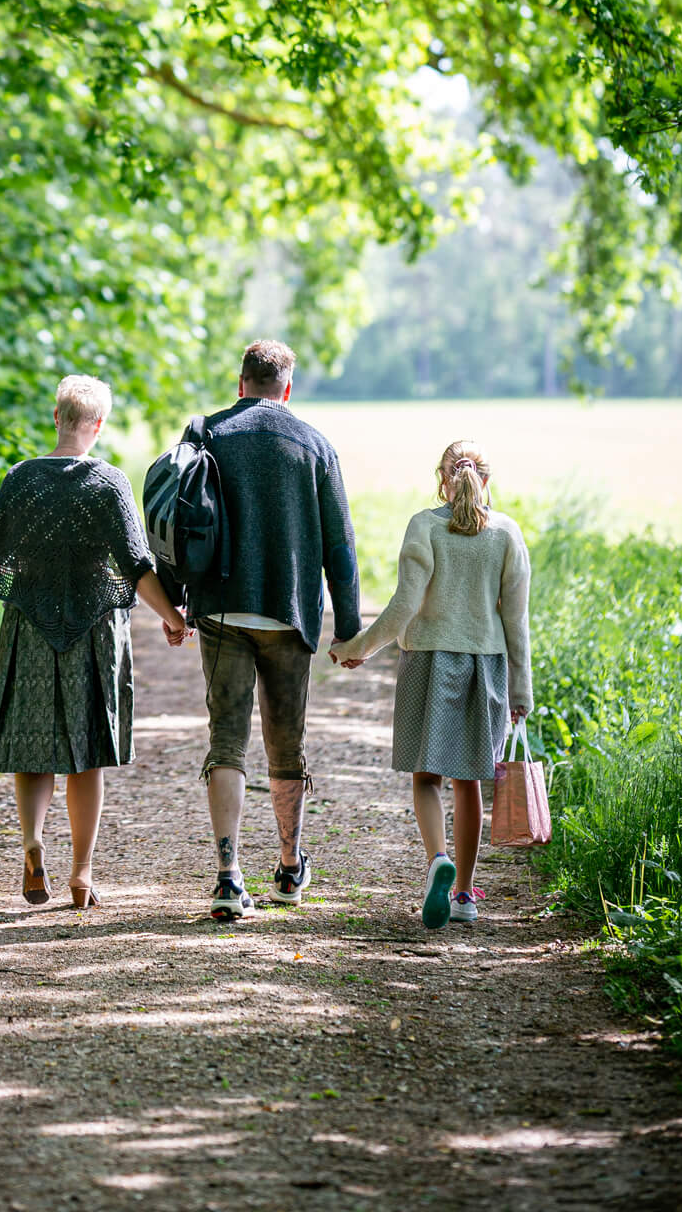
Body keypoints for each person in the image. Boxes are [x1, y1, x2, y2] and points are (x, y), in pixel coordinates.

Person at [0, 373, 186, 908]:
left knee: (32, 747)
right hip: (94, 630)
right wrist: (174, 618)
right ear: (98, 425)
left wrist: (27, 592)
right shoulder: (109, 482)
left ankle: (32, 842)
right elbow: (137, 567)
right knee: (87, 753)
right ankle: (82, 875)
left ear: (56, 418)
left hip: (29, 625)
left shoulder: (21, 478)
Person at [188, 338, 361, 921]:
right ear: (287, 388)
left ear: (241, 384)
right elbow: (340, 546)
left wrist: (176, 602)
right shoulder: (315, 445)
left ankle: (228, 876)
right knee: (286, 747)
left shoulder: (204, 433)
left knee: (226, 742)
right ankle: (289, 868)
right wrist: (349, 629)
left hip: (220, 609)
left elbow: (174, 515)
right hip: (289, 614)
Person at [330, 438, 531, 930]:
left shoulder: (425, 525)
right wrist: (521, 691)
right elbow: (517, 622)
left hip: (429, 660)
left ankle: (436, 858)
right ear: (487, 481)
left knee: (427, 776)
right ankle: (464, 893)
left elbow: (403, 606)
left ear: (442, 479)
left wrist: (357, 648)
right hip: (488, 664)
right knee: (468, 781)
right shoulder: (507, 533)